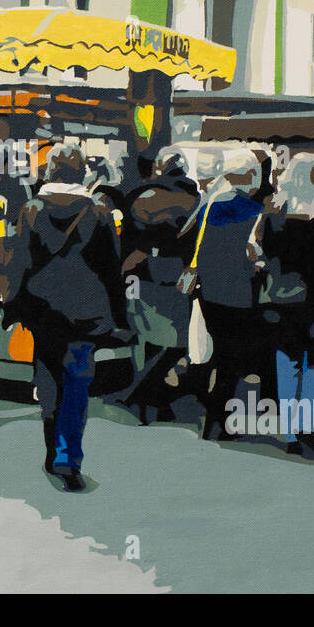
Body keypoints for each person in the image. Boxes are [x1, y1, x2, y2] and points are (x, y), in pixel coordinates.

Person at [5, 142, 129, 491]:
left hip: (43, 310)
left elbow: (19, 263)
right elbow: (111, 271)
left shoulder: (30, 209)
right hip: (86, 312)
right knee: (76, 385)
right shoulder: (100, 212)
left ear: (49, 171)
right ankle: (67, 456)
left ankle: (51, 447)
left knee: (47, 380)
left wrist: (12, 305)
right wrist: (119, 317)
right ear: (81, 173)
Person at [249, 153, 314, 458]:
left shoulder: (273, 209)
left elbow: (256, 247)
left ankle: (291, 433)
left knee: (287, 365)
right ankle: (306, 431)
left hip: (281, 298)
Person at [118, 148, 201, 424]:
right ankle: (155, 396)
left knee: (143, 334)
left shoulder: (143, 197)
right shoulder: (195, 199)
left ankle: (140, 397)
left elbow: (134, 235)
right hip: (179, 273)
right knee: (177, 337)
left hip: (142, 273)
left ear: (159, 169)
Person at [190, 150, 266, 441]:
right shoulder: (253, 211)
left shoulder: (209, 206)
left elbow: (202, 248)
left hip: (210, 289)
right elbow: (253, 252)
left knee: (217, 352)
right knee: (229, 359)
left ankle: (211, 416)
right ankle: (217, 421)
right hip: (237, 290)